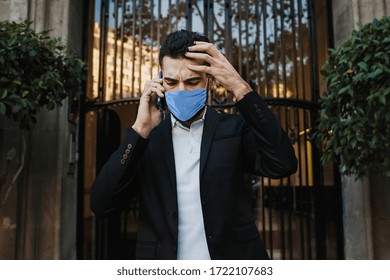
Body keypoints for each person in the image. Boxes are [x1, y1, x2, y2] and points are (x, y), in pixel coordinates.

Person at [90, 30, 297, 260]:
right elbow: (101, 203)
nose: (181, 90)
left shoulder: (233, 129)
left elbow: (283, 163)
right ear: (160, 80)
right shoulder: (147, 139)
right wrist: (139, 130)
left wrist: (239, 87)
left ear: (209, 81)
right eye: (171, 82)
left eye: (192, 82)